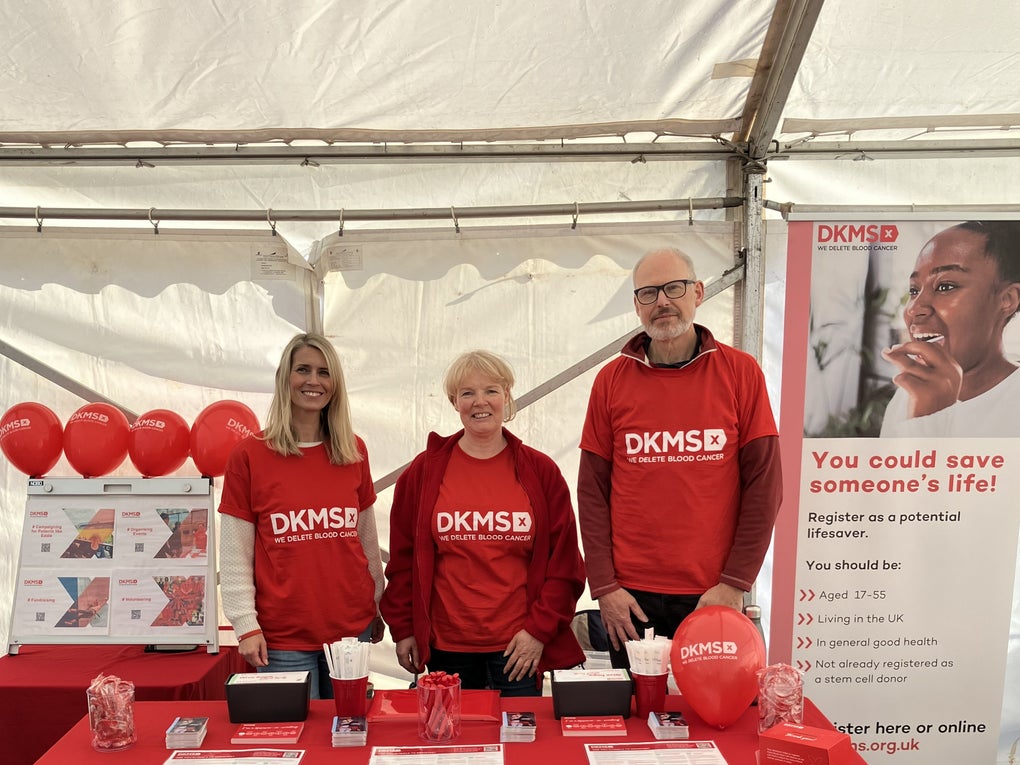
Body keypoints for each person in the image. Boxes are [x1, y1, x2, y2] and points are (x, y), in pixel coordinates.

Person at [577, 247, 783, 668]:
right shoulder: (611, 381)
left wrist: (734, 583)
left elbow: (765, 487)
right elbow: (591, 493)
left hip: (712, 592)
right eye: (648, 293)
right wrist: (604, 588)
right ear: (636, 306)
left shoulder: (741, 373)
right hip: (629, 600)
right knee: (635, 723)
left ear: (698, 293)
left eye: (674, 288)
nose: (663, 303)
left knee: (712, 724)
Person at [380, 350, 585, 696]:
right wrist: (403, 629)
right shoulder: (423, 472)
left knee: (520, 747)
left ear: (507, 396)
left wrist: (538, 631)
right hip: (447, 648)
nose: (480, 402)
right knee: (453, 746)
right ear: (453, 402)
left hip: (518, 650)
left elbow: (564, 567)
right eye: (467, 393)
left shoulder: (540, 472)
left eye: (491, 390)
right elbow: (403, 561)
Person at [218, 332, 384, 699]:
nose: (313, 381)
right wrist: (245, 625)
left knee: (347, 735)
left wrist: (376, 605)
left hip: (350, 630)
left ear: (335, 384)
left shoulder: (353, 450)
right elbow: (234, 554)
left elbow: (366, 541)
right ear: (285, 378)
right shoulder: (249, 455)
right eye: (303, 370)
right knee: (298, 743)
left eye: (324, 372)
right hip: (283, 639)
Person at [880, 220, 1020, 437]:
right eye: (914, 290)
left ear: (1007, 299)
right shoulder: (907, 396)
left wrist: (931, 417)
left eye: (945, 286)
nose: (914, 309)